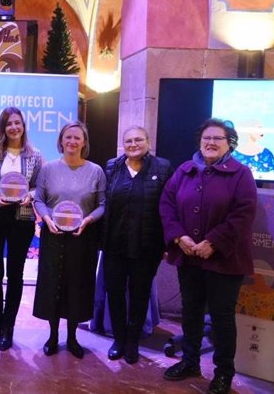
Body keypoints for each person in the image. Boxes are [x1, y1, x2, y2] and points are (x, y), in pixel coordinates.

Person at [160, 118, 257, 394]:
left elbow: (244, 214)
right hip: (189, 255)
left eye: (218, 138)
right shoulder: (184, 170)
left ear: (229, 144)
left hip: (225, 259)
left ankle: (223, 372)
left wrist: (213, 242)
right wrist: (180, 237)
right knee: (190, 311)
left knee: (221, 317)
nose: (211, 143)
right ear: (199, 142)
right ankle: (189, 361)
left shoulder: (241, 174)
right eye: (206, 139)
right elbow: (166, 205)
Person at [33, 121, 106, 359]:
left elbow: (103, 205)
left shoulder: (96, 171)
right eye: (68, 137)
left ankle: (73, 338)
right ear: (61, 141)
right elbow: (40, 199)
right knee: (53, 284)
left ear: (84, 142)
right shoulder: (48, 169)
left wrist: (87, 221)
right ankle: (53, 336)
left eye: (77, 138)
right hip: (53, 235)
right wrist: (46, 218)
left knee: (77, 286)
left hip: (82, 237)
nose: (72, 142)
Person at [101, 126, 173, 364]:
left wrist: (166, 243)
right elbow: (105, 203)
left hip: (147, 246)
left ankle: (133, 341)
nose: (133, 144)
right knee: (115, 293)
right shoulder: (112, 167)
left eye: (138, 140)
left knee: (140, 294)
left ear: (148, 142)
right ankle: (119, 339)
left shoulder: (162, 168)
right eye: (129, 141)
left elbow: (169, 207)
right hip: (114, 244)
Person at [0, 107, 43, 351]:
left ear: (24, 126)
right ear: (3, 128)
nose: (14, 127)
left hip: (22, 218)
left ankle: (9, 326)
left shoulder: (35, 155)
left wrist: (30, 196)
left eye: (17, 123)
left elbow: (40, 186)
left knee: (15, 275)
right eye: (9, 124)